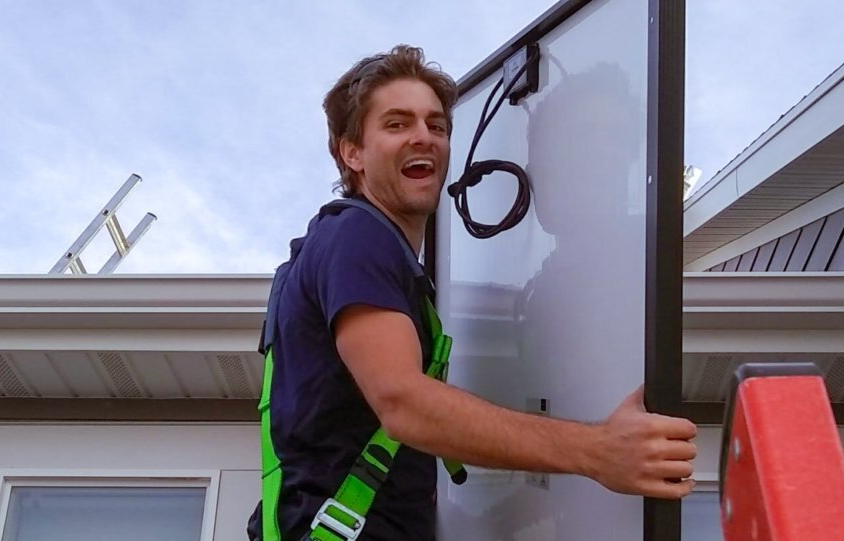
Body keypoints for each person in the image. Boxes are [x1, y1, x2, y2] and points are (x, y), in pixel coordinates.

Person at [248, 44, 697, 541]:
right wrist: (599, 451)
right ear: (351, 153)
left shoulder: (368, 254)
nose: (423, 136)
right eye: (397, 124)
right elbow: (404, 402)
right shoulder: (358, 236)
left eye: (436, 125)